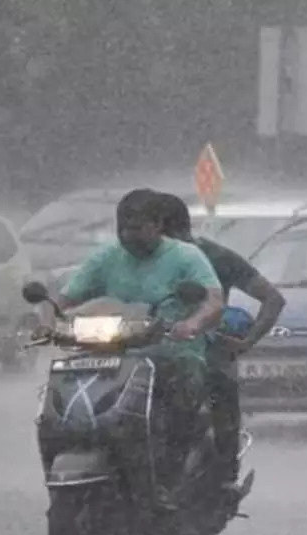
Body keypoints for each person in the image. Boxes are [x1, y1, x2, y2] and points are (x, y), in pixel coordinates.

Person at [57, 189, 225, 464]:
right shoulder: (107, 257)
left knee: (176, 403)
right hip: (113, 355)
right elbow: (64, 297)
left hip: (173, 353)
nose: (127, 236)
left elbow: (213, 300)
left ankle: (172, 465)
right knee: (67, 386)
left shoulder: (186, 256)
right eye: (122, 229)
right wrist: (46, 320)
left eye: (136, 229)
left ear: (157, 226)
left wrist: (191, 324)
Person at [151, 192, 286, 489]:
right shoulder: (130, 262)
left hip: (203, 351)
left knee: (220, 389)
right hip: (146, 351)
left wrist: (245, 342)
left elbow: (273, 299)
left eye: (146, 229)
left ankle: (226, 475)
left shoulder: (215, 257)